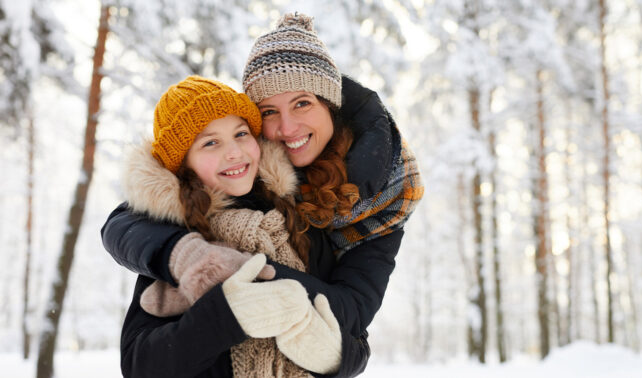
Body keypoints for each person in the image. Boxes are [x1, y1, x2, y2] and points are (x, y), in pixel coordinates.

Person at [102, 12, 423, 375]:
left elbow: (352, 327)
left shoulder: (340, 217)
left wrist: (329, 351)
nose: (287, 128)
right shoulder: (196, 223)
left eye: (302, 103)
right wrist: (192, 264)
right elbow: (130, 223)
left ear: (330, 105)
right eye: (269, 111)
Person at [119, 75, 367, 377]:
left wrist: (330, 356)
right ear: (184, 164)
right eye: (210, 143)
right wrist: (226, 316)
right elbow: (140, 365)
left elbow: (357, 340)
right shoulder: (181, 238)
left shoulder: (297, 222)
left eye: (240, 134)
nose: (234, 152)